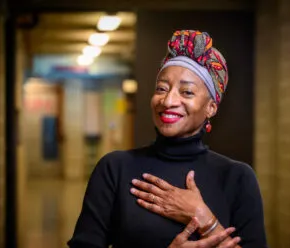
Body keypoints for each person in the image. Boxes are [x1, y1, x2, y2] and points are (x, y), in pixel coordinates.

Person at [67, 30, 267, 248]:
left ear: (211, 107)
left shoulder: (237, 178)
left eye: (187, 92)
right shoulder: (114, 169)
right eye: (161, 88)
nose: (168, 100)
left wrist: (203, 218)